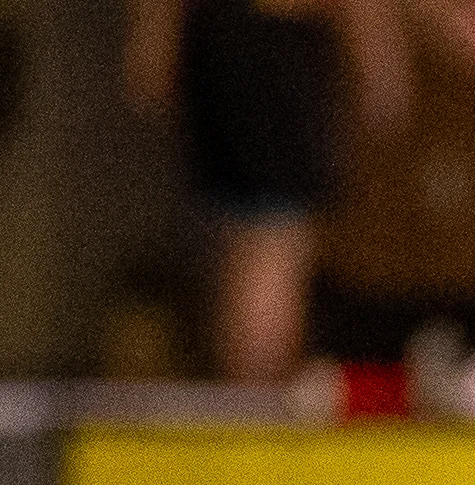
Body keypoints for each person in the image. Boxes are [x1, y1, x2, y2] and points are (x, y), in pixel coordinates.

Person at [129, 0, 415, 384]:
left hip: (229, 45)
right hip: (270, 49)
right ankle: (256, 395)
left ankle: (249, 392)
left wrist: (154, 41)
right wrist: (379, 58)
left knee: (251, 239)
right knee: (274, 238)